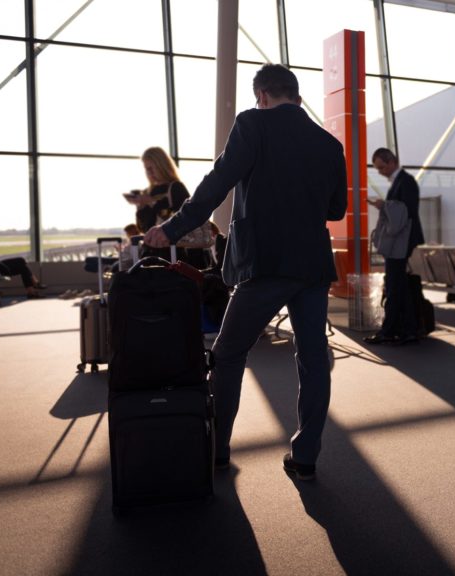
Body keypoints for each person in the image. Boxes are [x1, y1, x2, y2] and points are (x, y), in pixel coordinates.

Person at [143, 64, 347, 480]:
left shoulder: (254, 123)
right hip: (312, 265)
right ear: (297, 95)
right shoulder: (329, 144)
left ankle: (217, 449)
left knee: (229, 353)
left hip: (266, 263)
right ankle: (305, 457)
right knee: (312, 359)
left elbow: (217, 183)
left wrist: (172, 228)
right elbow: (336, 210)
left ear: (264, 96)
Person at [364, 148, 425, 345]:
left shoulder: (405, 182)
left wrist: (384, 206)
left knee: (394, 285)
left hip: (401, 242)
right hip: (402, 241)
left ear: (392, 162)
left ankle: (390, 330)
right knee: (399, 285)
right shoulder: (403, 182)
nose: (380, 171)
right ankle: (406, 329)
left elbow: (404, 214)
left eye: (382, 167)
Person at [126, 147, 209, 267]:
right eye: (146, 169)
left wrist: (152, 203)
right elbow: (144, 229)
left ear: (161, 165)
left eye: (151, 168)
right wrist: (141, 206)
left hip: (178, 252)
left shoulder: (176, 187)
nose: (149, 173)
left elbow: (185, 218)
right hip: (154, 252)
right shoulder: (148, 191)